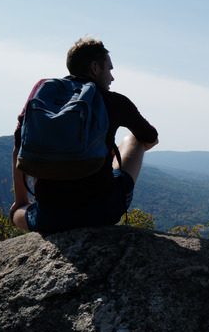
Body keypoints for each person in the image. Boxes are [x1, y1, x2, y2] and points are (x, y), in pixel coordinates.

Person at [9, 37, 159, 233]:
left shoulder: (43, 91)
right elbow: (150, 138)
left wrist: (21, 202)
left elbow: (19, 148)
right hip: (101, 211)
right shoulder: (115, 101)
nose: (112, 78)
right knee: (133, 139)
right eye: (110, 69)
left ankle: (17, 210)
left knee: (17, 212)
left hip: (49, 217)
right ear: (95, 67)